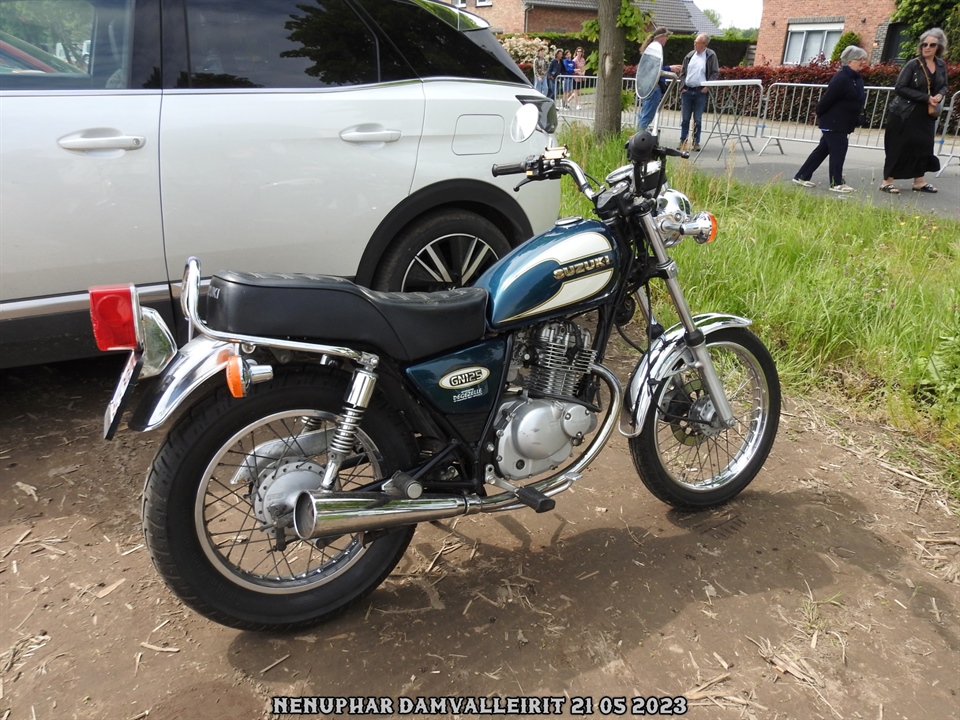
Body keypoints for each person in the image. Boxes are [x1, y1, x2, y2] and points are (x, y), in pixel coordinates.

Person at [880, 28, 949, 194]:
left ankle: (919, 181)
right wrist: (926, 98)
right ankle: (887, 182)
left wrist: (940, 94)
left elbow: (944, 85)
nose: (927, 47)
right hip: (904, 113)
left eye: (932, 45)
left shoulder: (941, 65)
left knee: (923, 146)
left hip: (926, 115)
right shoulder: (913, 64)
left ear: (938, 47)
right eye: (924, 44)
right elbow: (900, 87)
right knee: (899, 146)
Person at [792, 45, 868, 193]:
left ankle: (801, 176)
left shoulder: (855, 78)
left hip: (842, 122)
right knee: (839, 150)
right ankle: (836, 183)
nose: (863, 62)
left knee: (823, 150)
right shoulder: (842, 78)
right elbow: (827, 100)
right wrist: (821, 115)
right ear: (850, 61)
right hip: (834, 122)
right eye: (861, 60)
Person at [677, 33, 719, 151]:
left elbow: (715, 72)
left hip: (700, 91)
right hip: (687, 90)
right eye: (694, 42)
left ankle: (696, 142)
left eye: (697, 42)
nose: (694, 44)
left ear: (704, 44)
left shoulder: (710, 55)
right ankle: (683, 141)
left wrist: (707, 86)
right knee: (685, 119)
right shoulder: (690, 55)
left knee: (697, 119)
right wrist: (682, 86)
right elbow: (683, 72)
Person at [636, 27, 679, 132]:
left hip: (650, 87)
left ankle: (639, 135)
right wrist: (669, 68)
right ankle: (638, 137)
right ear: (661, 37)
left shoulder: (651, 49)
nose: (667, 39)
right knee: (647, 116)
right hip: (654, 87)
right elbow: (654, 69)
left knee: (645, 115)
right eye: (666, 36)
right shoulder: (655, 50)